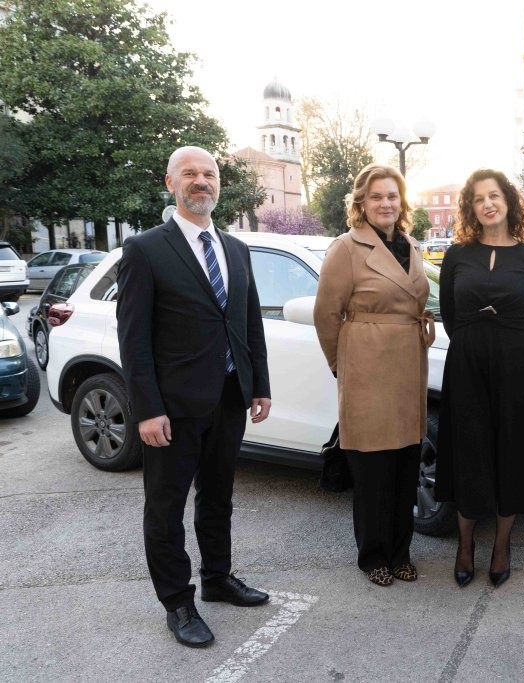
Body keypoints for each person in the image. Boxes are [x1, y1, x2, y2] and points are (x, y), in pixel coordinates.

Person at [117, 146, 272, 648]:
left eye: (209, 174)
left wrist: (259, 385)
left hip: (229, 397)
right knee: (165, 509)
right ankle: (178, 603)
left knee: (219, 496)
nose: (201, 181)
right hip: (173, 407)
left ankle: (217, 578)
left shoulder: (236, 249)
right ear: (171, 183)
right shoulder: (145, 249)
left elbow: (248, 323)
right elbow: (134, 340)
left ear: (218, 183)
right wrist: (147, 409)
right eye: (190, 174)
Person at [313, 163, 434, 588]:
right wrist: (342, 366)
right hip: (366, 366)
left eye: (392, 196)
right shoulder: (346, 248)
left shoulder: (411, 244)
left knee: (404, 466)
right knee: (373, 470)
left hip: (409, 365)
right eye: (377, 196)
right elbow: (326, 315)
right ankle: (373, 555)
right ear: (361, 202)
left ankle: (401, 552)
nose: (386, 203)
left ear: (402, 202)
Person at [435, 169, 524, 588]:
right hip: (466, 367)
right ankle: (465, 546)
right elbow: (451, 317)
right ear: (470, 207)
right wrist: (478, 343)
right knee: (469, 452)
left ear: (509, 201)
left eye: (495, 196)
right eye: (479, 198)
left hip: (515, 370)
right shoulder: (455, 256)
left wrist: (504, 346)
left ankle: (502, 547)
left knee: (511, 455)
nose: (488, 204)